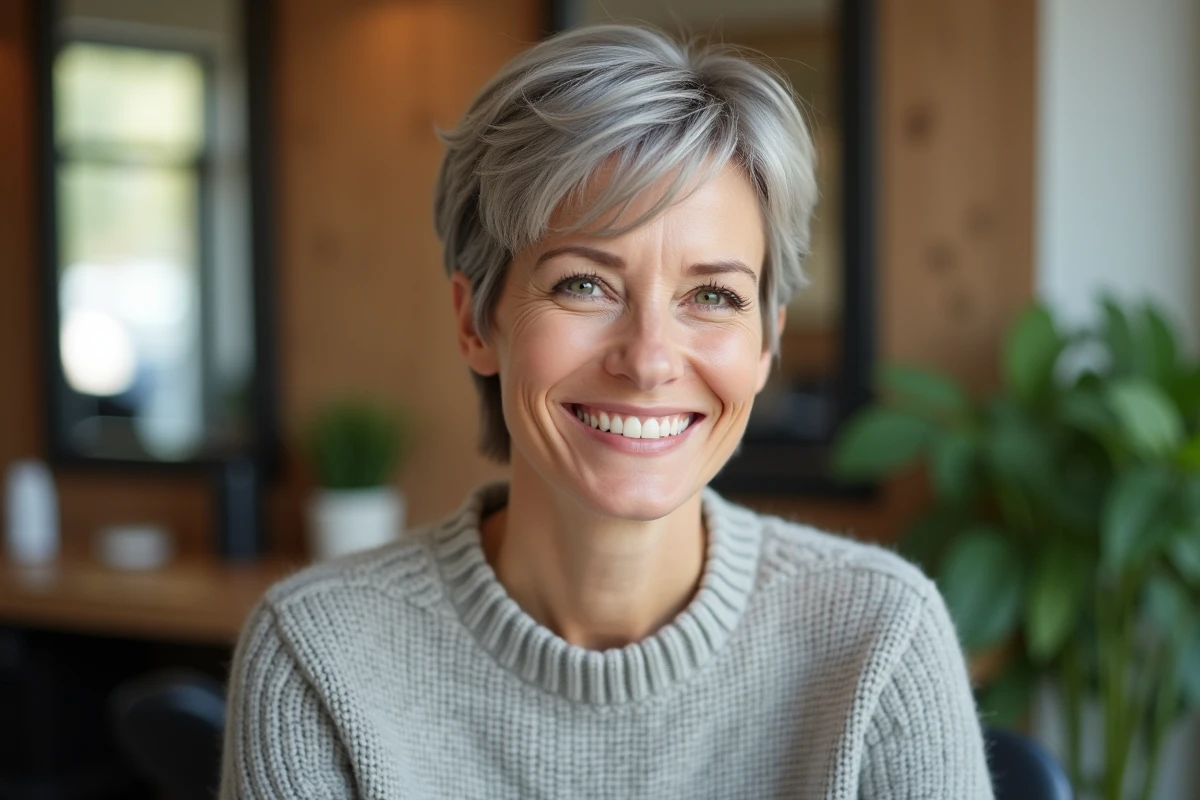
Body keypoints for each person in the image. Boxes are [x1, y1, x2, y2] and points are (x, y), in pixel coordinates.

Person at [219, 24, 993, 799]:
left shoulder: (879, 639)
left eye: (714, 296)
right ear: (475, 320)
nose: (651, 358)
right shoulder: (318, 655)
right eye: (583, 284)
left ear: (766, 345)